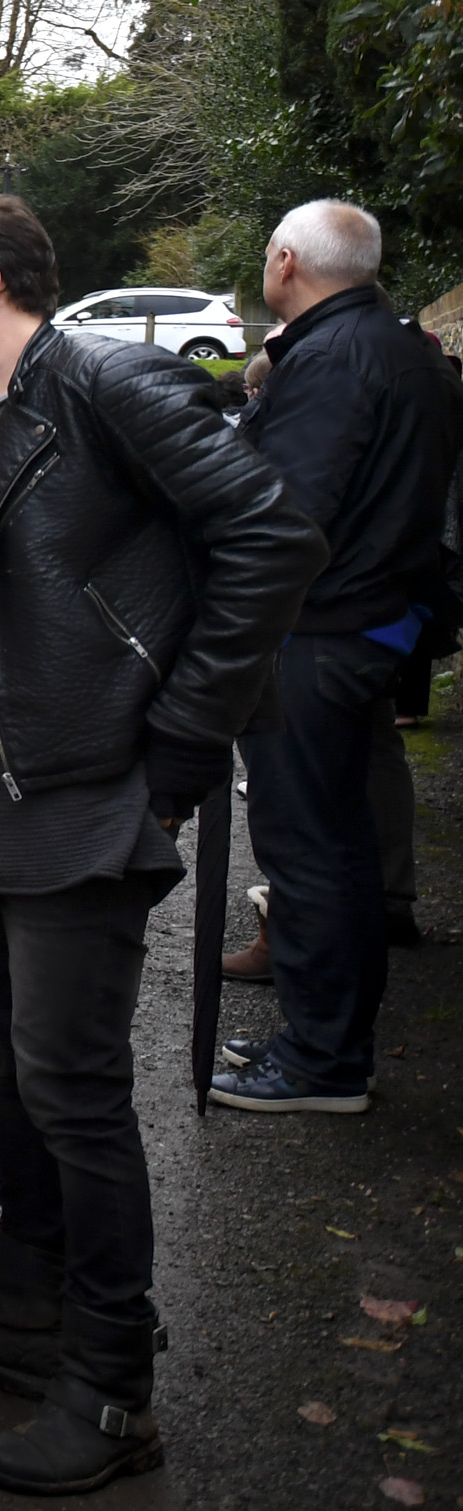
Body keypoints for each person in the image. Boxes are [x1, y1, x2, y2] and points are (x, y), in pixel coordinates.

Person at [0, 195, 318, 1494]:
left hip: (87, 794)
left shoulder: (104, 381)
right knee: (19, 1072)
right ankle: (20, 1305)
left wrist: (177, 742)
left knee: (76, 1090)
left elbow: (270, 536)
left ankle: (112, 1389)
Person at [214, 202, 463, 1113]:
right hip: (375, 626)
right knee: (341, 841)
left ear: (287, 260)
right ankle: (324, 1040)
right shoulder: (410, 353)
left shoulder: (328, 361)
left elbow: (281, 514)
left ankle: (322, 1060)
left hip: (317, 634)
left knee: (308, 848)